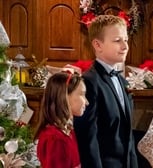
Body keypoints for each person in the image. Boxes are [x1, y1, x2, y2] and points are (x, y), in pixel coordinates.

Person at [73, 15, 138, 168]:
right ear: (97, 45)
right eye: (117, 40)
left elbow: (129, 136)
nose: (125, 46)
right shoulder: (89, 82)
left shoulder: (123, 82)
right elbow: (88, 140)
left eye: (126, 40)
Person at [34, 71, 89, 168]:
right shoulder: (54, 139)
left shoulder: (67, 131)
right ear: (64, 96)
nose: (87, 102)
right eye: (82, 94)